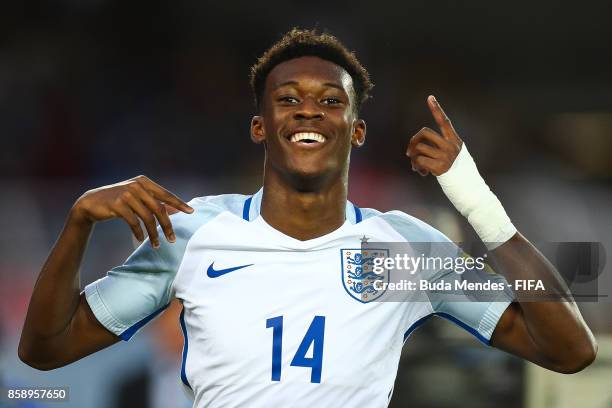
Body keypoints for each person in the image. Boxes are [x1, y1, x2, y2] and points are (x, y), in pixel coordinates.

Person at [19, 28, 597, 407]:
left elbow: (571, 352)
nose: (308, 111)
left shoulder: (403, 249)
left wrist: (479, 205)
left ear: (358, 129)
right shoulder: (194, 233)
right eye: (288, 98)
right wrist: (77, 223)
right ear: (259, 126)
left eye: (330, 100)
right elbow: (44, 351)